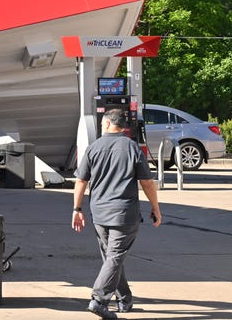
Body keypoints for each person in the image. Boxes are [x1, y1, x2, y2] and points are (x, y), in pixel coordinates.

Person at [71, 108, 162, 319]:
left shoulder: (94, 148)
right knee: (114, 257)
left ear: (107, 124)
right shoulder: (131, 148)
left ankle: (124, 299)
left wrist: (77, 209)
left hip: (100, 214)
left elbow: (81, 181)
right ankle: (99, 300)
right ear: (123, 127)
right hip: (124, 213)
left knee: (112, 258)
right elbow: (147, 182)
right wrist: (156, 208)